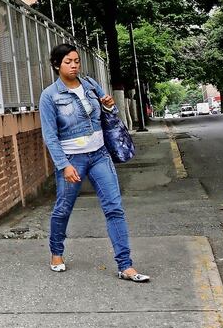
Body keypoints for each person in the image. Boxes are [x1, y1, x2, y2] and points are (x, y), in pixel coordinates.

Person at [39, 43, 150, 282]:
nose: (74, 65)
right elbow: (50, 135)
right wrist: (63, 165)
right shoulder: (50, 96)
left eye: (77, 61)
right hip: (72, 159)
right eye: (68, 62)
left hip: (99, 154)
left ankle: (125, 265)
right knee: (63, 209)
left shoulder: (90, 85)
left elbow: (110, 114)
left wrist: (110, 105)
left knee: (114, 207)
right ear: (57, 65)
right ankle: (56, 252)